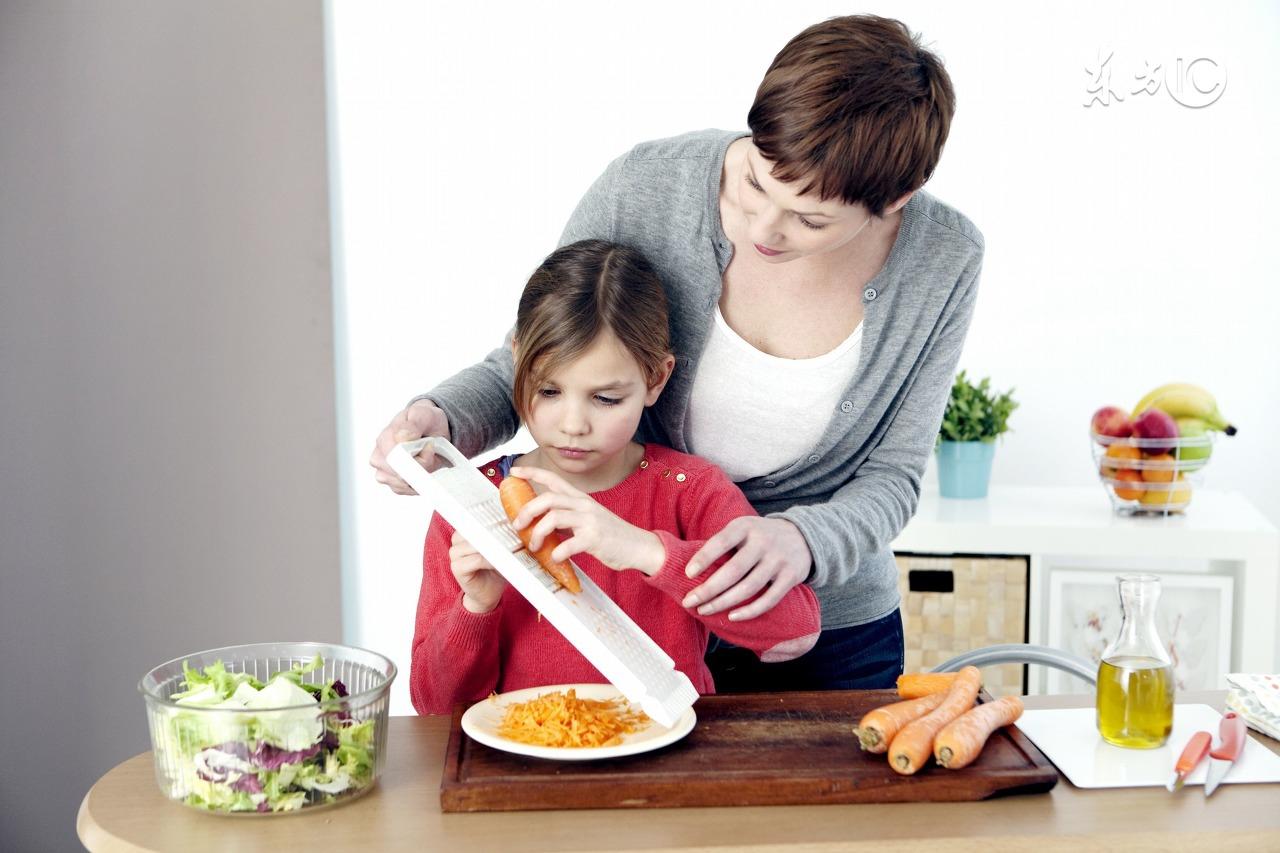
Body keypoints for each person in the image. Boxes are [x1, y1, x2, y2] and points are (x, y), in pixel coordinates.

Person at [378, 15, 983, 693]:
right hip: (645, 602)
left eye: (810, 219)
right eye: (755, 183)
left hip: (824, 625)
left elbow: (894, 474)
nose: (765, 229)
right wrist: (442, 418)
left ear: (895, 200)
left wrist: (800, 542)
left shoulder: (943, 258)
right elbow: (544, 354)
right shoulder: (647, 187)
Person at [408, 240, 821, 715]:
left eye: (605, 399)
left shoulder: (690, 491)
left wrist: (645, 550)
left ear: (655, 379)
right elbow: (433, 707)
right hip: (526, 773)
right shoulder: (472, 501)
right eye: (548, 390)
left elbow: (795, 631)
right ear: (517, 361)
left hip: (665, 768)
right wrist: (476, 605)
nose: (573, 424)